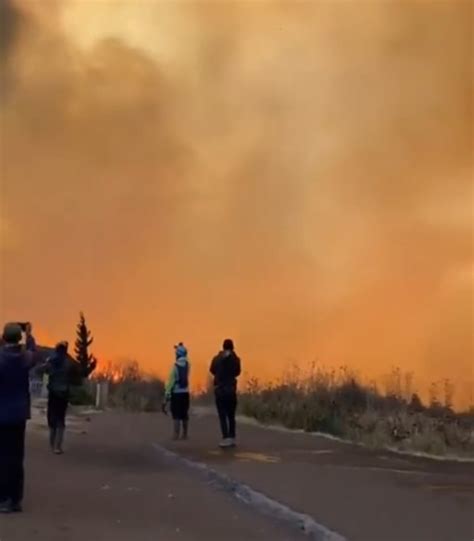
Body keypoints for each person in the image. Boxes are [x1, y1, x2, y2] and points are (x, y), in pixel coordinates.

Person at [0, 322, 39, 513]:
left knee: (2, 457)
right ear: (18, 338)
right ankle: (15, 499)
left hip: (1, 414)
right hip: (19, 414)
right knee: (16, 458)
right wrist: (29, 334)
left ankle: (3, 497)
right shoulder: (25, 357)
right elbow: (33, 351)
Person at [210, 338, 241, 448]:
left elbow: (212, 370)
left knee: (222, 415)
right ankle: (232, 437)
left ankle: (225, 437)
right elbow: (238, 372)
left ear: (223, 346)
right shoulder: (236, 359)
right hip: (231, 390)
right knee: (231, 415)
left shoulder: (216, 358)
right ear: (232, 347)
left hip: (220, 390)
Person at [43, 341, 72, 454]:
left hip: (53, 393)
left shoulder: (52, 360)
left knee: (52, 419)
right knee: (61, 420)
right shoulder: (68, 362)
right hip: (63, 394)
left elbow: (44, 370)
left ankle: (52, 444)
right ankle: (58, 446)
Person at [164, 343, 191, 440]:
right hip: (186, 392)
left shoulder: (175, 366)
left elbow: (171, 381)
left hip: (177, 393)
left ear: (178, 354)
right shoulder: (188, 365)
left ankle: (176, 435)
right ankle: (185, 434)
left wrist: (167, 393)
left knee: (176, 414)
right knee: (184, 414)